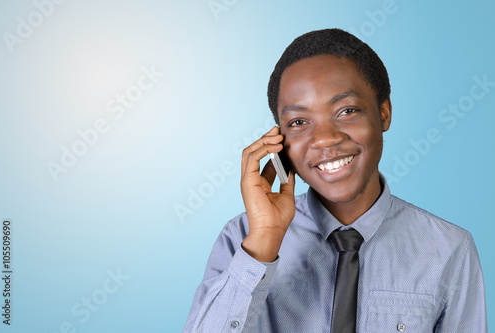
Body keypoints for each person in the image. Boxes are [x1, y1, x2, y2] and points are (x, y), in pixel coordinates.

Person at [183, 28, 487, 332]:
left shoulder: (448, 248)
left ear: (383, 113)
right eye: (299, 122)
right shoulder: (243, 238)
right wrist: (264, 242)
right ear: (278, 139)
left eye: (347, 111)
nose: (325, 139)